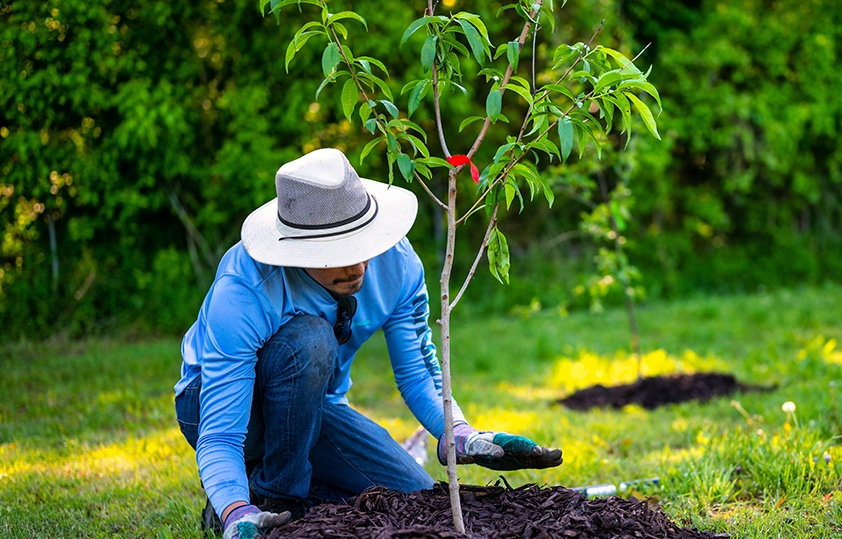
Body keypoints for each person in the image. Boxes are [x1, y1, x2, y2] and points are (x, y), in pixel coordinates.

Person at [173, 148, 563, 539]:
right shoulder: (246, 290)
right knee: (310, 340)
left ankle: (271, 491)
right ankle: (272, 502)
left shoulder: (398, 264)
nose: (358, 266)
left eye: (362, 244)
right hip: (212, 403)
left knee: (413, 496)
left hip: (313, 407)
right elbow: (221, 433)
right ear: (295, 250)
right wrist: (234, 509)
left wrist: (461, 434)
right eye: (336, 253)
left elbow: (417, 370)